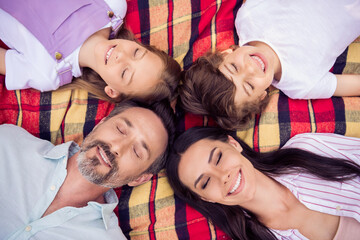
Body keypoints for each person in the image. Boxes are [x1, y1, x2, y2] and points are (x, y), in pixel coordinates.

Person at [0, 99, 175, 239]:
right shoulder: (8, 142)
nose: (117, 147)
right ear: (100, 124)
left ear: (139, 178)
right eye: (120, 129)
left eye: (137, 152)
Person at [179, 0, 360, 129]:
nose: (250, 68)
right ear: (260, 97)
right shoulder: (301, 85)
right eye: (249, 86)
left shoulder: (248, 17)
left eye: (233, 67)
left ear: (227, 53)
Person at [166, 127, 360, 240]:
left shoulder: (306, 149)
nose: (222, 176)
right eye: (206, 182)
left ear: (233, 144)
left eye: (218, 158)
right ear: (204, 197)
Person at [0, 0, 181, 103]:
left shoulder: (48, 73)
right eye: (136, 53)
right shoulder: (114, 5)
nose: (121, 56)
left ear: (112, 91)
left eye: (125, 72)